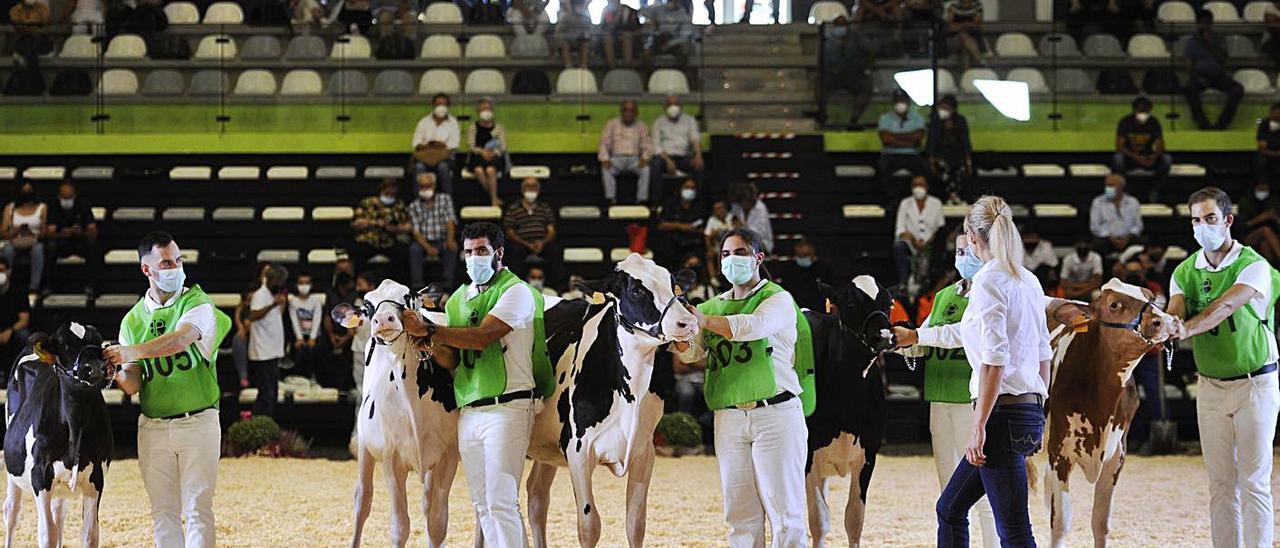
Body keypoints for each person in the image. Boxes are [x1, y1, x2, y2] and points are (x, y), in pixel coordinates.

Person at [891, 196, 1050, 546]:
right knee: (950, 508)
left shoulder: (988, 283)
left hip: (1000, 416)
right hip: (1027, 409)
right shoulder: (1028, 280)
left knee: (1014, 531)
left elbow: (995, 360)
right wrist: (1040, 412)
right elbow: (1043, 352)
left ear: (972, 237)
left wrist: (977, 426)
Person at [402, 221, 554, 546]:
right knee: (483, 506)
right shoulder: (458, 299)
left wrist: (430, 330)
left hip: (509, 405)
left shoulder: (517, 291)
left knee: (501, 502)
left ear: (498, 253)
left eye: (481, 251)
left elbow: (483, 337)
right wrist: (431, 346)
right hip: (469, 408)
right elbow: (454, 359)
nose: (474, 258)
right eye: (469, 252)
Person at [674, 227, 812, 547]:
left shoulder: (777, 298)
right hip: (730, 415)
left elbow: (752, 327)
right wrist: (675, 327)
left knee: (785, 513)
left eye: (739, 253)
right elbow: (691, 353)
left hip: (775, 412)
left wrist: (702, 320)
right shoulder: (711, 306)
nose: (731, 260)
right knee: (739, 515)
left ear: (758, 258)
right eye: (725, 254)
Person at [1167, 187, 1279, 548]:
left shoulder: (1254, 266)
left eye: (1210, 218)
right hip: (1211, 387)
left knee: (1254, 481)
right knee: (1219, 484)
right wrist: (1167, 323)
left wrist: (1183, 329)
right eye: (1196, 220)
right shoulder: (1184, 271)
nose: (1202, 227)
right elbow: (1176, 309)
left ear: (1228, 220)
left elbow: (1225, 307)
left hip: (1255, 384)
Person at [104, 232, 231, 548]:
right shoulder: (132, 319)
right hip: (153, 425)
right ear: (147, 270)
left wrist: (130, 352)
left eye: (178, 260)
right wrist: (114, 371)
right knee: (163, 513)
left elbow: (181, 339)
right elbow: (132, 385)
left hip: (198, 421)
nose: (175, 267)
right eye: (166, 262)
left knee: (198, 509)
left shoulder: (197, 301)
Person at [909, 233, 999, 548]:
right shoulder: (944, 295)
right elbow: (926, 336)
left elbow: (956, 335)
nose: (963, 257)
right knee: (949, 486)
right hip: (939, 395)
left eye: (968, 250)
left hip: (971, 399)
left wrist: (916, 337)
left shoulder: (990, 293)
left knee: (983, 486)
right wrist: (903, 345)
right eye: (959, 251)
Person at [1183, 10, 1243, 130]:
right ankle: (1202, 123)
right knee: (1189, 90)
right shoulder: (1191, 41)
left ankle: (1223, 123)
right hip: (1199, 75)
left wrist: (1211, 43)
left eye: (1207, 23)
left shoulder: (1219, 38)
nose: (1204, 26)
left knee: (1237, 90)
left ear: (1211, 24)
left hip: (1218, 76)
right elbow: (1188, 65)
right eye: (1202, 23)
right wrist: (1198, 78)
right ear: (1197, 23)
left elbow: (1224, 60)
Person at [503, 178, 563, 285]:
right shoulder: (513, 209)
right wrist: (526, 244)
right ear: (522, 190)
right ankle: (517, 285)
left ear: (539, 190)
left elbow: (551, 230)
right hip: (521, 243)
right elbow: (510, 232)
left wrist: (543, 243)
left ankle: (554, 285)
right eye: (528, 186)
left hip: (542, 243)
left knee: (556, 251)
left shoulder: (545, 208)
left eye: (534, 186)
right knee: (513, 252)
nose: (531, 189)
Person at [247, 264, 288, 418]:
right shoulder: (260, 295)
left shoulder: (272, 294)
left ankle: (266, 422)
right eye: (279, 281)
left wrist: (281, 304)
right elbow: (253, 315)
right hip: (262, 351)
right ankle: (259, 422)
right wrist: (273, 305)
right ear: (271, 279)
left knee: (272, 393)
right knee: (266, 393)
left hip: (272, 350)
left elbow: (276, 317)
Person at [45, 181, 101, 295]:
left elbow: (93, 231)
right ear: (59, 196)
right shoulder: (54, 207)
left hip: (80, 242)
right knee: (50, 246)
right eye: (64, 197)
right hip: (62, 243)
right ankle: (48, 286)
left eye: (69, 197)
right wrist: (61, 233)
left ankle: (92, 285)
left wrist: (81, 232)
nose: (66, 200)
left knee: (93, 244)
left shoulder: (83, 205)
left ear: (74, 195)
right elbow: (50, 232)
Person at [1112, 96, 1172, 199]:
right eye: (1141, 111)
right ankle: (1124, 190)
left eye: (1147, 111)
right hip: (1130, 158)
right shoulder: (1125, 122)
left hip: (1148, 157)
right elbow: (1120, 147)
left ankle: (1155, 190)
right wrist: (1137, 158)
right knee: (1117, 159)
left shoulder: (1153, 122)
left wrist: (1153, 158)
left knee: (1167, 159)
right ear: (1134, 110)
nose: (1144, 114)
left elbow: (1160, 145)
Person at [350, 179, 411, 278]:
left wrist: (392, 228)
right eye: (387, 193)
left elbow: (407, 227)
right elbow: (356, 223)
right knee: (357, 251)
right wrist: (373, 223)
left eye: (392, 194)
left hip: (390, 241)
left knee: (403, 253)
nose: (389, 196)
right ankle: (362, 282)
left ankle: (398, 285)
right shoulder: (367, 202)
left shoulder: (399, 205)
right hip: (369, 240)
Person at [820, 16, 875, 127]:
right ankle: (822, 115)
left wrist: (867, 68)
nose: (840, 28)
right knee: (818, 85)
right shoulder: (827, 40)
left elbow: (871, 49)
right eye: (838, 25)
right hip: (833, 76)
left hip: (854, 75)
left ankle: (854, 119)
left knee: (866, 85)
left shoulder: (857, 37)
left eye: (843, 25)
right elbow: (823, 60)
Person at [408, 173, 459, 290]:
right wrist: (427, 248)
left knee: (451, 247)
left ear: (434, 185)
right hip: (423, 242)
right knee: (414, 249)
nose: (425, 189)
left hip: (442, 239)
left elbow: (450, 221)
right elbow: (416, 231)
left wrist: (450, 239)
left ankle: (448, 284)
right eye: (422, 186)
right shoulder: (414, 206)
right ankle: (417, 285)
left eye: (428, 186)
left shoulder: (445, 199)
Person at [878, 90, 929, 203]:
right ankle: (891, 200)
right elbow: (886, 139)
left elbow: (918, 137)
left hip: (912, 154)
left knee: (924, 168)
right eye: (897, 101)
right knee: (882, 169)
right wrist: (909, 137)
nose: (900, 103)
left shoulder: (918, 118)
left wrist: (895, 137)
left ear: (908, 102)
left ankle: (919, 198)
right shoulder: (885, 118)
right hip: (890, 154)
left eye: (902, 101)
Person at [599, 99, 654, 205]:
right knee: (605, 169)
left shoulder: (641, 125)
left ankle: (641, 200)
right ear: (621, 111)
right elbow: (603, 143)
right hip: (616, 159)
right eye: (626, 110)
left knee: (646, 169)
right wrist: (605, 158)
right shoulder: (611, 124)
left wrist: (645, 158)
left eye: (632, 110)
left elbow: (648, 144)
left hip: (635, 159)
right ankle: (611, 199)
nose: (629, 113)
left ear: (636, 112)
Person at [894, 176, 945, 286]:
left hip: (931, 243)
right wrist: (913, 240)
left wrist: (928, 242)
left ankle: (933, 282)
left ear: (927, 187)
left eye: (921, 185)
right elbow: (900, 229)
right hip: (910, 243)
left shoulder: (936, 203)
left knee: (941, 244)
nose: (918, 188)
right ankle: (903, 282)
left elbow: (940, 227)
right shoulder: (905, 203)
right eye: (915, 185)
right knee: (898, 246)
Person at [651, 95, 704, 201]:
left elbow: (695, 139)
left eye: (676, 104)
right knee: (655, 165)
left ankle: (698, 201)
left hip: (684, 156)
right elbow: (656, 145)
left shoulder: (690, 120)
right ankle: (657, 202)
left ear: (681, 106)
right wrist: (668, 160)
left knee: (699, 166)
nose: (673, 107)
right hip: (664, 157)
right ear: (665, 107)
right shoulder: (658, 122)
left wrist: (698, 155)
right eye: (669, 104)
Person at [2, 182, 46, 298]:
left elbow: (45, 231)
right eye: (24, 190)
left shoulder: (42, 208)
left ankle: (34, 287)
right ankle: (5, 284)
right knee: (7, 250)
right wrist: (14, 231)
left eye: (29, 190)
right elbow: (3, 232)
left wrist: (33, 234)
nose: (27, 194)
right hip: (15, 240)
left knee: (39, 249)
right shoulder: (10, 208)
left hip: (34, 240)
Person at [412, 93, 461, 193]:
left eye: (444, 104)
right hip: (425, 158)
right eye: (439, 104)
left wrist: (432, 147)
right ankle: (419, 200)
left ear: (448, 107)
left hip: (445, 158)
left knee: (443, 167)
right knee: (418, 167)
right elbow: (416, 143)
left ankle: (447, 200)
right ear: (433, 106)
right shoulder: (423, 122)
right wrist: (436, 146)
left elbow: (453, 145)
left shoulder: (453, 122)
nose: (441, 107)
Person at [927, 95, 973, 203]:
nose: (943, 111)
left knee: (960, 171)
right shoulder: (935, 122)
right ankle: (945, 198)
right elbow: (931, 143)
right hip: (940, 156)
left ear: (953, 109)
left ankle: (957, 197)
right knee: (942, 170)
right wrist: (931, 161)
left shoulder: (960, 121)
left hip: (957, 156)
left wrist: (968, 162)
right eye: (941, 108)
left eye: (946, 108)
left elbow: (965, 143)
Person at [465, 98, 507, 207]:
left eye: (488, 108)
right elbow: (471, 145)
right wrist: (482, 152)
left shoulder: (499, 127)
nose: (486, 111)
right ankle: (494, 197)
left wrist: (493, 153)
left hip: (495, 156)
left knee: (490, 170)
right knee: (478, 170)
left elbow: (502, 146)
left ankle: (493, 201)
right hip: (478, 156)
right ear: (478, 111)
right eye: (483, 109)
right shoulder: (472, 127)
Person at [319, 270, 357, 389]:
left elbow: (357, 317)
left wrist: (347, 337)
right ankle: (327, 382)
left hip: (351, 333)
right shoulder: (331, 293)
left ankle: (346, 385)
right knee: (319, 348)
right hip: (332, 332)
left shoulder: (355, 294)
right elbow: (327, 316)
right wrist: (331, 335)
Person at [656, 179, 708, 267]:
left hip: (694, 242)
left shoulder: (699, 206)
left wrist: (694, 230)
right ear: (680, 189)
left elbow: (705, 228)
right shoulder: (671, 204)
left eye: (693, 188)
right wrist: (680, 226)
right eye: (687, 187)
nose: (690, 191)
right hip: (674, 242)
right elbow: (661, 225)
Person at [1089, 174, 1144, 256]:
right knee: (1098, 244)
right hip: (1107, 239)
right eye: (1106, 185)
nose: (1108, 188)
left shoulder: (1133, 202)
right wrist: (1111, 238)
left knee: (1142, 242)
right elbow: (1095, 226)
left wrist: (1128, 237)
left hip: (1128, 238)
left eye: (1111, 185)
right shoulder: (1098, 202)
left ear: (1121, 187)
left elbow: (1138, 225)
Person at [773, 238, 833, 311]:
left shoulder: (823, 268)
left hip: (818, 311)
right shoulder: (789, 269)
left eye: (803, 245)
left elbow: (830, 290)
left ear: (812, 248)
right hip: (795, 310)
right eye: (798, 246)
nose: (800, 249)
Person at [288, 272, 324, 380]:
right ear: (296, 285)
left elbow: (317, 318)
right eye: (301, 283)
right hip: (299, 334)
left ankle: (313, 376)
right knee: (299, 350)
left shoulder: (315, 300)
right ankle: (298, 377)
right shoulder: (293, 301)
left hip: (315, 334)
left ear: (311, 285)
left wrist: (312, 338)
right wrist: (299, 338)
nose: (304, 286)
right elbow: (294, 319)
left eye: (306, 283)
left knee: (313, 349)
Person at [0, 258, 29, 382]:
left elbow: (24, 320)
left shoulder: (19, 291)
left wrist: (10, 331)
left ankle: (18, 377)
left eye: (1, 270)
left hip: (12, 331)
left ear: (8, 272)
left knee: (23, 335)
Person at [1237, 180, 1280, 263]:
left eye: (1265, 189)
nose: (1263, 191)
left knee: (1264, 243)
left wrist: (1275, 219)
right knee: (1265, 230)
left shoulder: (1273, 201)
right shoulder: (1246, 202)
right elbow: (1242, 226)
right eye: (1261, 189)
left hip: (1270, 236)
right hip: (1249, 235)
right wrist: (1260, 218)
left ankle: (1270, 267)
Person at [641, 0, 694, 65]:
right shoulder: (659, 9)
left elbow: (685, 36)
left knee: (682, 51)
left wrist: (669, 44)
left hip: (673, 41)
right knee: (646, 50)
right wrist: (653, 20)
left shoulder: (683, 16)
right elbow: (643, 11)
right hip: (657, 39)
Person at [728, 182, 773, 254]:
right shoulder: (736, 206)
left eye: (742, 202)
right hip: (740, 240)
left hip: (761, 243)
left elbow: (760, 235)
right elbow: (732, 224)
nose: (741, 205)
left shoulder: (760, 208)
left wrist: (743, 227)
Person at [944, 0, 983, 70]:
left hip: (973, 39)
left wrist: (959, 25)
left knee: (965, 51)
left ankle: (967, 75)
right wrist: (967, 24)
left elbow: (976, 26)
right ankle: (980, 61)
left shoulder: (977, 6)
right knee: (963, 36)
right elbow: (950, 28)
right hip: (954, 39)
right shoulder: (952, 7)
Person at [601, 0, 640, 66]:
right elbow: (607, 28)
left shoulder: (631, 10)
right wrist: (617, 15)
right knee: (607, 38)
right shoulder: (608, 12)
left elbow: (638, 28)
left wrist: (631, 34)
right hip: (614, 37)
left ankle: (627, 65)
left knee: (626, 36)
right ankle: (612, 65)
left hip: (631, 38)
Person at [554, 0, 592, 67]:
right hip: (567, 41)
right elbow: (558, 32)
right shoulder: (566, 17)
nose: (578, 6)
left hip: (580, 42)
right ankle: (568, 66)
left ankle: (583, 66)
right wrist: (566, 37)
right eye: (576, 4)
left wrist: (584, 36)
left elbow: (589, 33)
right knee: (564, 45)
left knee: (585, 45)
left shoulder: (586, 18)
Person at [1254, 103, 1280, 184]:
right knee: (1261, 161)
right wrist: (1277, 154)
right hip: (1268, 157)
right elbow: (1262, 150)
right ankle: (1263, 187)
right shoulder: (1264, 125)